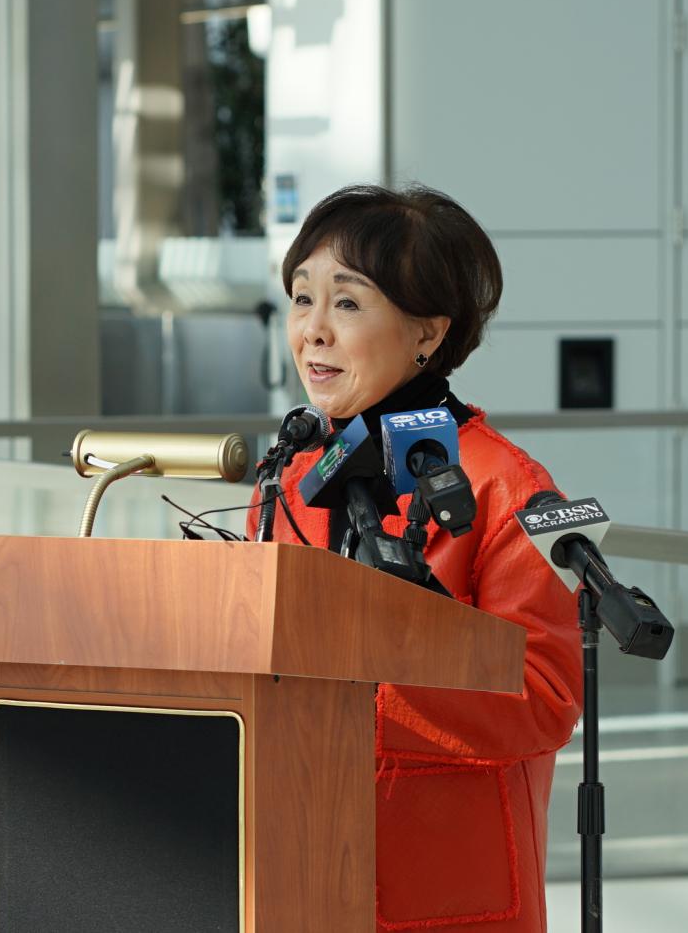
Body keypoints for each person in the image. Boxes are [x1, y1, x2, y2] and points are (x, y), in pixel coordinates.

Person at [249, 184, 584, 932]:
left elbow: (547, 694)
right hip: (298, 868)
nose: (313, 332)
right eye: (302, 299)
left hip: (443, 887)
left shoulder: (505, 485)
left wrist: (358, 694)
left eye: (347, 303)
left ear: (428, 333)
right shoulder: (295, 475)